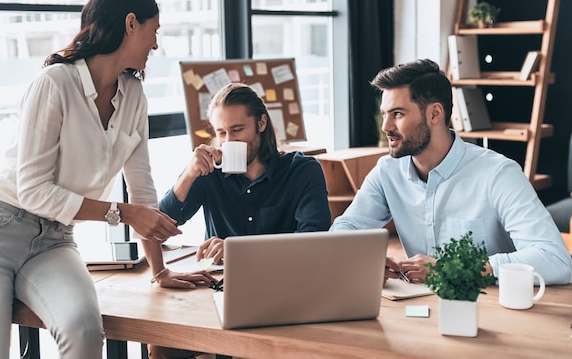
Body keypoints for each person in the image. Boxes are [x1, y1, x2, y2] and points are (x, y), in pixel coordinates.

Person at [0, 0, 214, 359]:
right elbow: (33, 190)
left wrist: (159, 271)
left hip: (54, 241)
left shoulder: (134, 96)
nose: (156, 44)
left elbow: (142, 191)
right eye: (154, 32)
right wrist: (120, 213)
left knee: (85, 331)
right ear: (131, 23)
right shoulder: (55, 82)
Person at [330, 58, 571, 286]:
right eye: (385, 114)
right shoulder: (387, 172)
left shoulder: (498, 174)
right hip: (419, 306)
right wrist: (364, 259)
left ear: (435, 114)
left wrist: (453, 268)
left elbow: (555, 260)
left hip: (489, 310)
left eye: (398, 114)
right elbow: (344, 231)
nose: (386, 127)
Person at [142, 82, 332, 359]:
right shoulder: (209, 174)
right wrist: (189, 174)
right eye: (221, 133)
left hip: (283, 293)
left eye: (237, 130)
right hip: (222, 294)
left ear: (261, 123)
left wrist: (238, 249)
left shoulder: (301, 171)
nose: (228, 141)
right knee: (161, 346)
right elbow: (159, 228)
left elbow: (315, 243)